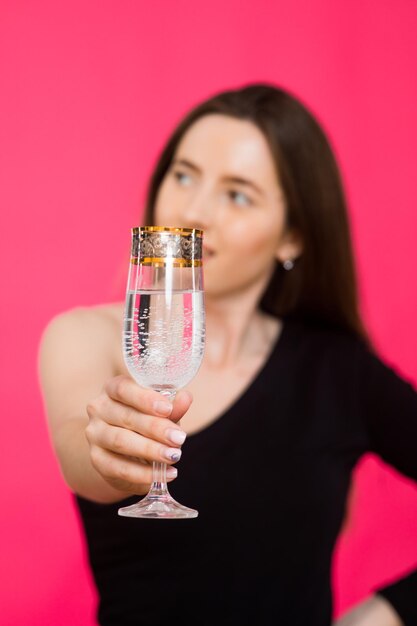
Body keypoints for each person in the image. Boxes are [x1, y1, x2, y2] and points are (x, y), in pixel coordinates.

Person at [39, 84, 417, 626]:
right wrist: (108, 450)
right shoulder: (86, 337)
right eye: (184, 174)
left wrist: (384, 615)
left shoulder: (339, 373)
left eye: (237, 194)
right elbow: (86, 461)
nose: (192, 211)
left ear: (292, 237)